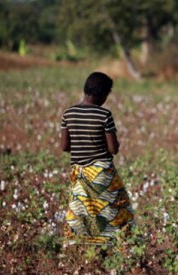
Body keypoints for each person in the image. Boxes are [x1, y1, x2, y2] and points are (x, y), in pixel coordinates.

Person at [60, 72, 134, 244]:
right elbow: (113, 149)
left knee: (81, 210)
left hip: (79, 172)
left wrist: (81, 145)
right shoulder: (104, 115)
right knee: (115, 209)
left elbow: (64, 146)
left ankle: (80, 244)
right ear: (103, 94)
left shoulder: (68, 113)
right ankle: (116, 243)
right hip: (102, 172)